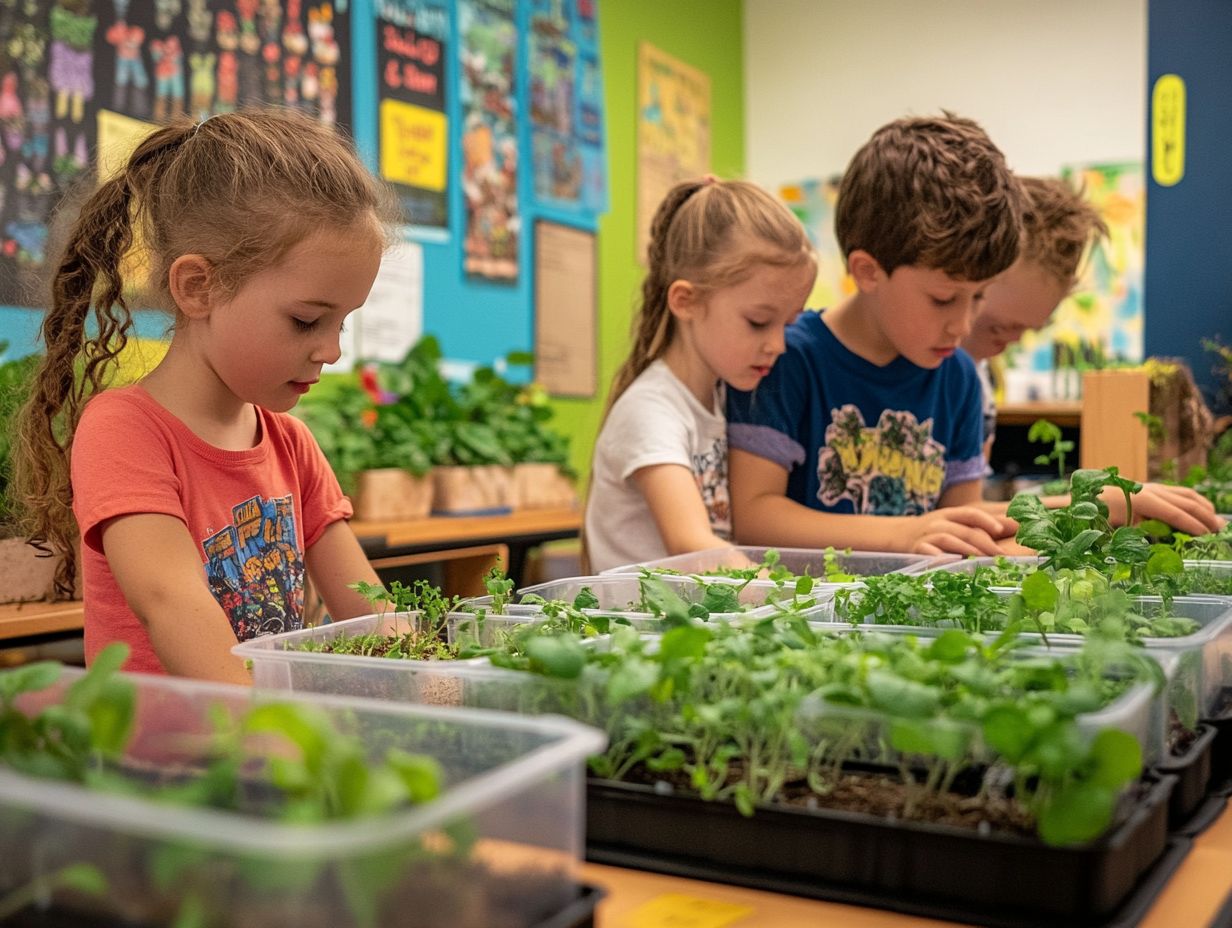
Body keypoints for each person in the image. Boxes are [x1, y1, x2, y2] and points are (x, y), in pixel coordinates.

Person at [13, 109, 397, 683]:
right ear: (200, 287)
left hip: (271, 754)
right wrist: (270, 736)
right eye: (306, 321)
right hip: (162, 766)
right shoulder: (124, 430)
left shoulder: (291, 444)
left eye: (341, 324)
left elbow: (373, 612)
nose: (332, 351)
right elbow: (171, 601)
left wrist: (438, 686)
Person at [726, 113, 1021, 557]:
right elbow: (754, 516)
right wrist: (901, 536)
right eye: (943, 299)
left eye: (978, 297)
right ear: (868, 271)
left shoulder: (958, 376)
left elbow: (964, 526)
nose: (962, 325)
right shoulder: (785, 357)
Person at [965, 175, 1223, 535]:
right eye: (997, 326)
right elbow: (960, 517)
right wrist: (1091, 503)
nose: (1007, 342)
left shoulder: (975, 380)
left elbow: (965, 513)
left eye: (1026, 331)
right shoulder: (953, 373)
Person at [583, 177, 817, 573]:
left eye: (788, 323)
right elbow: (690, 543)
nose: (778, 344)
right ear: (686, 301)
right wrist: (784, 595)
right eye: (759, 322)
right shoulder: (650, 411)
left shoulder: (722, 397)